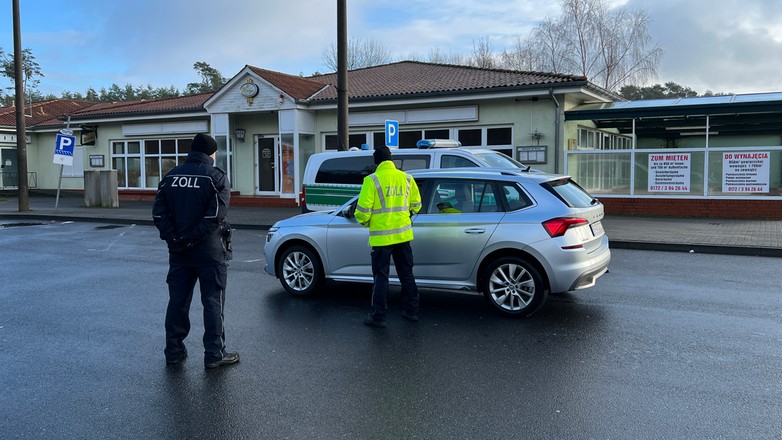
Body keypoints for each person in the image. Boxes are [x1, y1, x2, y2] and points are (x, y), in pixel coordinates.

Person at [152, 133, 239, 369]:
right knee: (212, 301)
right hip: (209, 253)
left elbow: (159, 213)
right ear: (212, 153)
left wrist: (175, 238)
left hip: (179, 252)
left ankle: (173, 351)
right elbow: (214, 216)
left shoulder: (171, 176)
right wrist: (191, 239)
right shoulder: (216, 177)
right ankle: (214, 354)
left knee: (177, 302)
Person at [355, 146, 422, 328]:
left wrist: (369, 223)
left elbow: (361, 213)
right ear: (391, 160)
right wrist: (407, 215)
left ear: (377, 162)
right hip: (403, 237)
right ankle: (412, 311)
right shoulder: (407, 178)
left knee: (381, 277)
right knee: (406, 274)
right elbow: (417, 205)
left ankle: (379, 317)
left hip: (381, 239)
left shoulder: (372, 180)